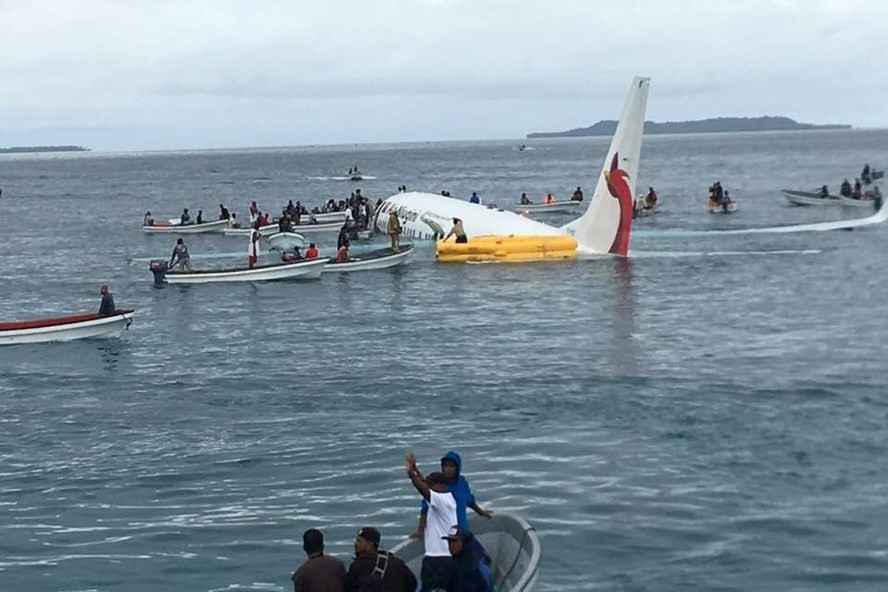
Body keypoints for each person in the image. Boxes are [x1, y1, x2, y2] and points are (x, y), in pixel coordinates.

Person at [405, 452, 457, 592]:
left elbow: (423, 489)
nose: (428, 487)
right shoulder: (447, 498)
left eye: (431, 485)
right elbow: (425, 484)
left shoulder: (441, 500)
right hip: (446, 557)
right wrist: (416, 469)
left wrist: (411, 474)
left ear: (440, 485)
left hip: (437, 558)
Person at [412, 451, 491, 537]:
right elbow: (425, 509)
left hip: (463, 531)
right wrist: (420, 530)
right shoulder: (438, 485)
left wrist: (481, 512)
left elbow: (470, 501)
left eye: (452, 466)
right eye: (445, 465)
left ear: (457, 468)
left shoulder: (462, 482)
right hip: (445, 533)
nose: (448, 469)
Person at [345, 527, 417, 592]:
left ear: (370, 544)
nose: (355, 544)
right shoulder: (398, 562)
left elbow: (350, 588)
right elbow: (412, 585)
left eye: (359, 541)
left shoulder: (358, 565)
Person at [442, 527, 490, 592]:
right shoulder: (456, 560)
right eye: (449, 541)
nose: (451, 545)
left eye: (454, 541)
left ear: (464, 541)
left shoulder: (473, 565)